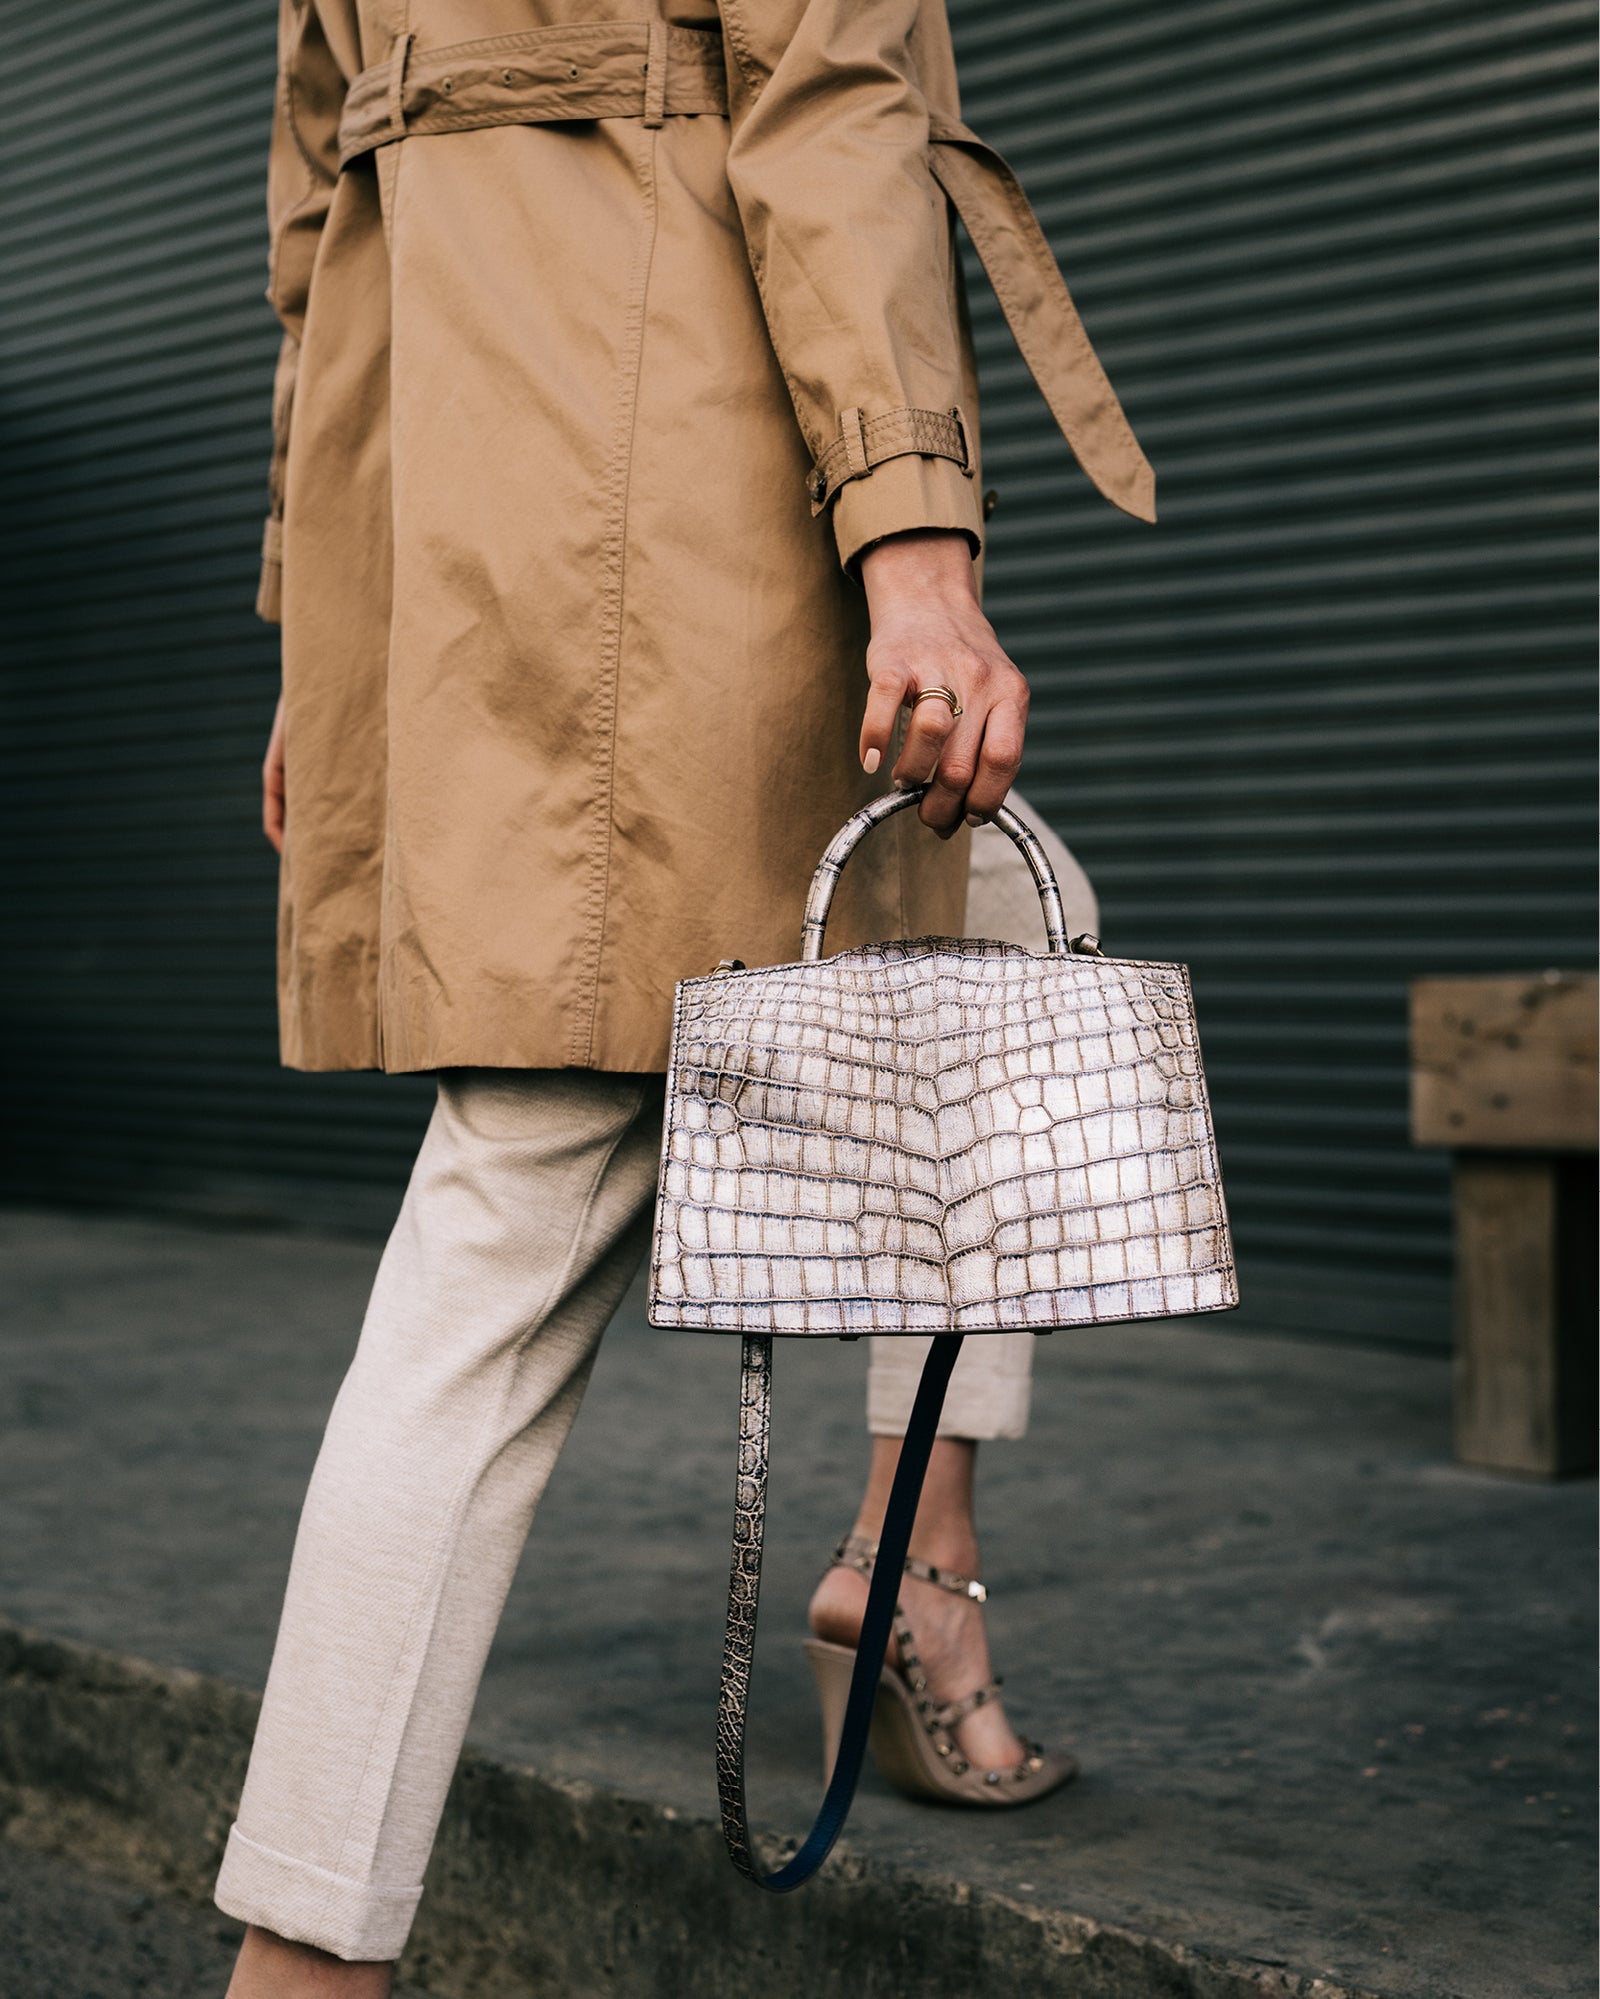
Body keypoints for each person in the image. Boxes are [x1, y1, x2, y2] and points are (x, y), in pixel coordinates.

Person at [220, 0, 1151, 1988]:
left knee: (959, 974)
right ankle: (301, 1965)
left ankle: (909, 1570)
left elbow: (317, 215)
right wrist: (914, 544)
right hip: (701, 431)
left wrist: (315, 612)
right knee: (528, 1170)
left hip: (455, 488)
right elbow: (829, 101)